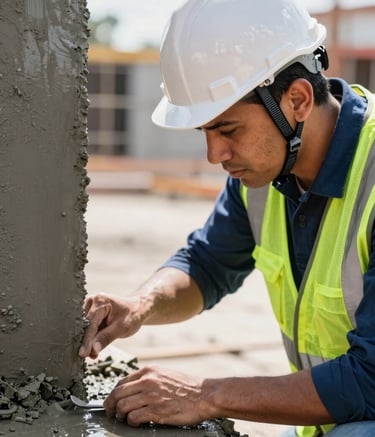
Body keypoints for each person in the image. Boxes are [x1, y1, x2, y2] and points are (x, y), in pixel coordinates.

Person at [79, 0, 375, 435]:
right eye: (206, 132)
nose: (214, 154)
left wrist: (204, 394)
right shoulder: (266, 174)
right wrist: (139, 306)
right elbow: (207, 263)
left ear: (297, 99)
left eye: (229, 130)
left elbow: (369, 381)